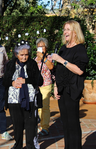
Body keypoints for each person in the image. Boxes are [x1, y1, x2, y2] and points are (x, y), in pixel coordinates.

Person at [52, 20, 89, 149]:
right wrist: (55, 86)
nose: (65, 32)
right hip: (62, 89)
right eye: (64, 29)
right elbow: (58, 70)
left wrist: (62, 60)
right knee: (66, 123)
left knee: (72, 123)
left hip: (72, 90)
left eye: (68, 29)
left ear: (75, 32)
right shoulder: (63, 48)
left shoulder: (79, 49)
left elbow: (79, 70)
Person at [3, 41, 43, 149]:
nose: (24, 57)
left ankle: (30, 145)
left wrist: (26, 80)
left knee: (30, 124)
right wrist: (12, 82)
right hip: (14, 100)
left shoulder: (32, 64)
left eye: (26, 55)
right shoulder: (11, 64)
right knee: (17, 124)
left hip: (30, 99)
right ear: (16, 54)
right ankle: (18, 145)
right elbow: (4, 80)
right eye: (22, 55)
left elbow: (40, 80)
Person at [35, 38, 54, 136]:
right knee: (38, 107)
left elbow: (51, 67)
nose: (40, 48)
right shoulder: (35, 58)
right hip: (37, 85)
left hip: (46, 84)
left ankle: (45, 127)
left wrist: (43, 58)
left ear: (46, 47)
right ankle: (41, 125)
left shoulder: (49, 57)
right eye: (39, 46)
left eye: (42, 46)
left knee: (45, 106)